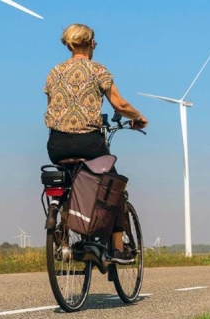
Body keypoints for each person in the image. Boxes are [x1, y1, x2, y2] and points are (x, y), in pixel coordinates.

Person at [43, 23, 148, 264]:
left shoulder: (54, 72)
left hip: (56, 145)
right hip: (88, 143)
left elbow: (52, 106)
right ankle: (119, 248)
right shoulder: (97, 70)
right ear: (91, 44)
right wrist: (138, 117)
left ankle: (65, 233)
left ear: (69, 44)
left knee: (71, 179)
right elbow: (119, 105)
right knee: (113, 185)